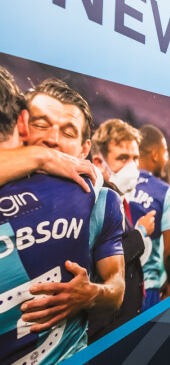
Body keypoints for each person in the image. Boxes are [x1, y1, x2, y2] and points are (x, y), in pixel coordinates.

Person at [0, 72, 125, 364]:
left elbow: (117, 286)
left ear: (84, 149)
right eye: (40, 124)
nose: (52, 140)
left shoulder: (100, 200)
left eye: (68, 132)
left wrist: (92, 294)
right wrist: (39, 158)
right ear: (21, 126)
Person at [88, 119, 156, 342]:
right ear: (99, 162)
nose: (132, 166)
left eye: (135, 158)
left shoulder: (118, 197)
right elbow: (102, 262)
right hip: (107, 325)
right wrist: (141, 233)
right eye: (122, 158)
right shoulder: (94, 200)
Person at [128, 125, 170, 310]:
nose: (166, 159)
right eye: (165, 152)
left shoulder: (117, 182)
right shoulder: (165, 192)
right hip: (149, 286)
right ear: (155, 154)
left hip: (121, 285)